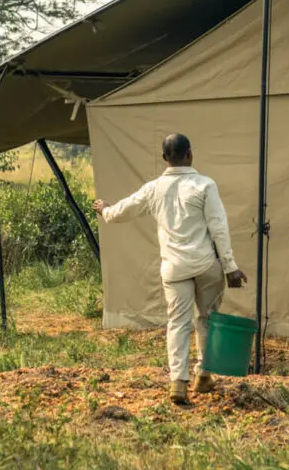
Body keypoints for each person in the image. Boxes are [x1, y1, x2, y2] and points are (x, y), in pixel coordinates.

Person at [94, 133, 247, 404]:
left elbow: (122, 211)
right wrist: (230, 267)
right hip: (205, 265)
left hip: (174, 268)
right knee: (207, 318)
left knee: (177, 322)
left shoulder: (153, 188)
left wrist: (105, 210)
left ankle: (178, 381)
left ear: (164, 158)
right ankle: (203, 374)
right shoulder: (205, 185)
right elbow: (218, 227)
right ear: (190, 154)